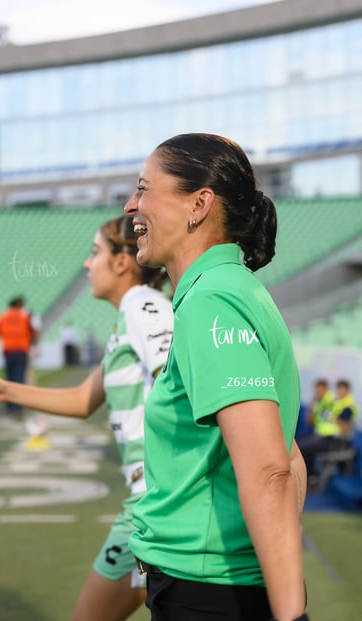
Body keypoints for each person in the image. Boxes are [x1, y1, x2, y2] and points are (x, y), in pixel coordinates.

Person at [124, 133, 309, 621]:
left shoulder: (213, 300)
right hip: (219, 585)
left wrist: (291, 614)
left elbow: (272, 472)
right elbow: (291, 457)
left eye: (144, 189)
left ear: (198, 204)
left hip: (209, 592)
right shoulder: (230, 289)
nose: (130, 205)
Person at [0, 215, 174, 621]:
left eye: (95, 253)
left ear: (121, 262)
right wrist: (4, 389)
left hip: (157, 503)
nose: (85, 264)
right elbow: (82, 400)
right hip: (153, 501)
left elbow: (180, 385)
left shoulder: (144, 307)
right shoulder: (132, 313)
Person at [299, 378, 357, 484]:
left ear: (348, 390)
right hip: (323, 437)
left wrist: (335, 418)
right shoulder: (335, 404)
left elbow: (346, 428)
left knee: (302, 447)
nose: (339, 392)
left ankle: (311, 477)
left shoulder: (348, 407)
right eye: (338, 389)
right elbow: (313, 421)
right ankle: (310, 476)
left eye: (342, 389)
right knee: (298, 443)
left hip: (334, 442)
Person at [0, 295, 39, 417]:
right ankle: (17, 408)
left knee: (8, 380)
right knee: (18, 380)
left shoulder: (3, 316)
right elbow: (33, 332)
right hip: (21, 350)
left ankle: (9, 407)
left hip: (8, 351)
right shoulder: (26, 316)